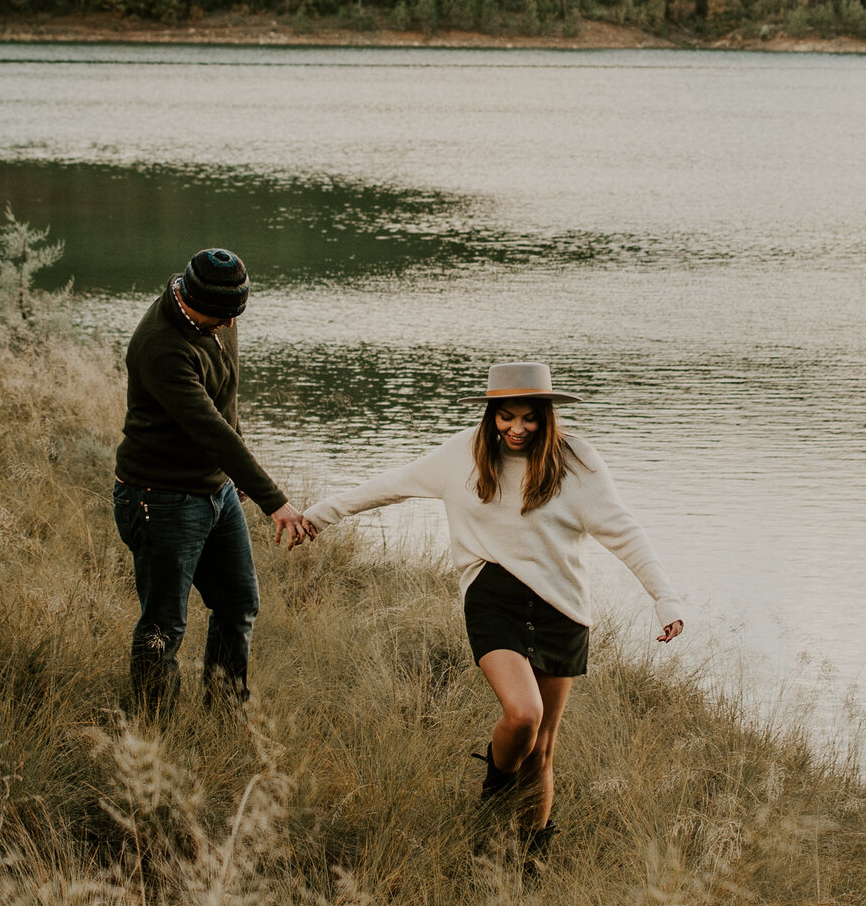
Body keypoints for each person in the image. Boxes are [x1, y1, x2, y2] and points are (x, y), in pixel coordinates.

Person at [303, 362, 684, 857]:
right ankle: (494, 790)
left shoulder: (577, 462)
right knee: (523, 715)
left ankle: (529, 857)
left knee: (542, 750)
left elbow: (624, 531)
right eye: (506, 417)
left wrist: (665, 597)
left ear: (546, 417)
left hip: (561, 608)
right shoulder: (462, 453)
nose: (517, 429)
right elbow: (390, 485)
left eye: (529, 418)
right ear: (491, 415)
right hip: (493, 596)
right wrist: (318, 515)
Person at [114, 247, 311, 713]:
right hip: (160, 497)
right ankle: (151, 735)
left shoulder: (217, 310)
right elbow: (208, 428)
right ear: (188, 297)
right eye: (220, 317)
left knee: (238, 603)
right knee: (165, 624)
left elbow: (225, 399)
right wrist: (275, 501)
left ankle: (225, 714)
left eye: (233, 315)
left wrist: (235, 477)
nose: (227, 325)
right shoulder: (161, 346)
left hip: (214, 489)